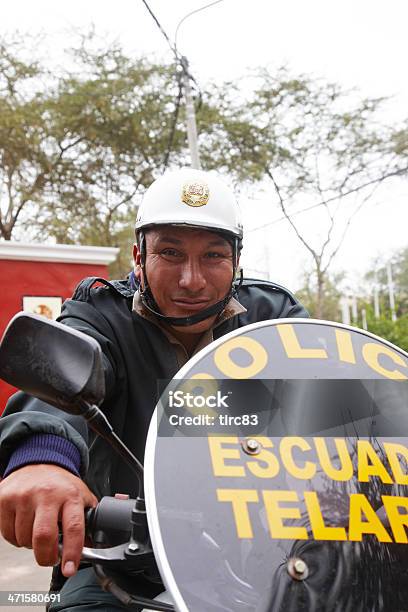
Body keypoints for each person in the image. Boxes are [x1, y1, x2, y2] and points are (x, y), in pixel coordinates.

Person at [0, 168, 308, 610]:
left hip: (264, 550)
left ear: (237, 261)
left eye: (214, 256)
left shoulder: (274, 315)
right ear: (138, 256)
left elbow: (334, 396)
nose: (192, 280)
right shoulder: (101, 313)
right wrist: (45, 458)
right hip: (128, 552)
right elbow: (63, 380)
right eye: (170, 252)